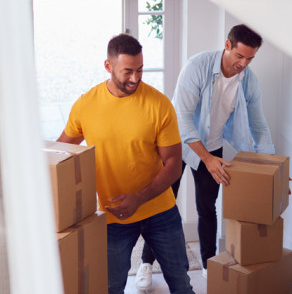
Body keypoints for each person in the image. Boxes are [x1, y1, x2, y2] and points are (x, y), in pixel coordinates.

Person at [57, 33, 194, 294]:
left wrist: (138, 199)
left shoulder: (159, 104)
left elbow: (174, 164)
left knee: (180, 282)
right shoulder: (86, 105)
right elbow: (62, 152)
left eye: (140, 70)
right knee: (110, 287)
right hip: (112, 215)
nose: (135, 78)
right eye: (128, 71)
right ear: (108, 66)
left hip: (160, 211)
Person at [171, 24, 275, 276]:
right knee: (162, 205)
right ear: (227, 45)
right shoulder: (196, 67)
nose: (243, 63)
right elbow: (182, 119)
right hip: (177, 144)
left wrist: (274, 170)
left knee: (207, 208)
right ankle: (146, 263)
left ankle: (208, 264)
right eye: (240, 56)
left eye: (250, 58)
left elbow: (258, 125)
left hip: (212, 146)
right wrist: (206, 159)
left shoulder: (248, 79)